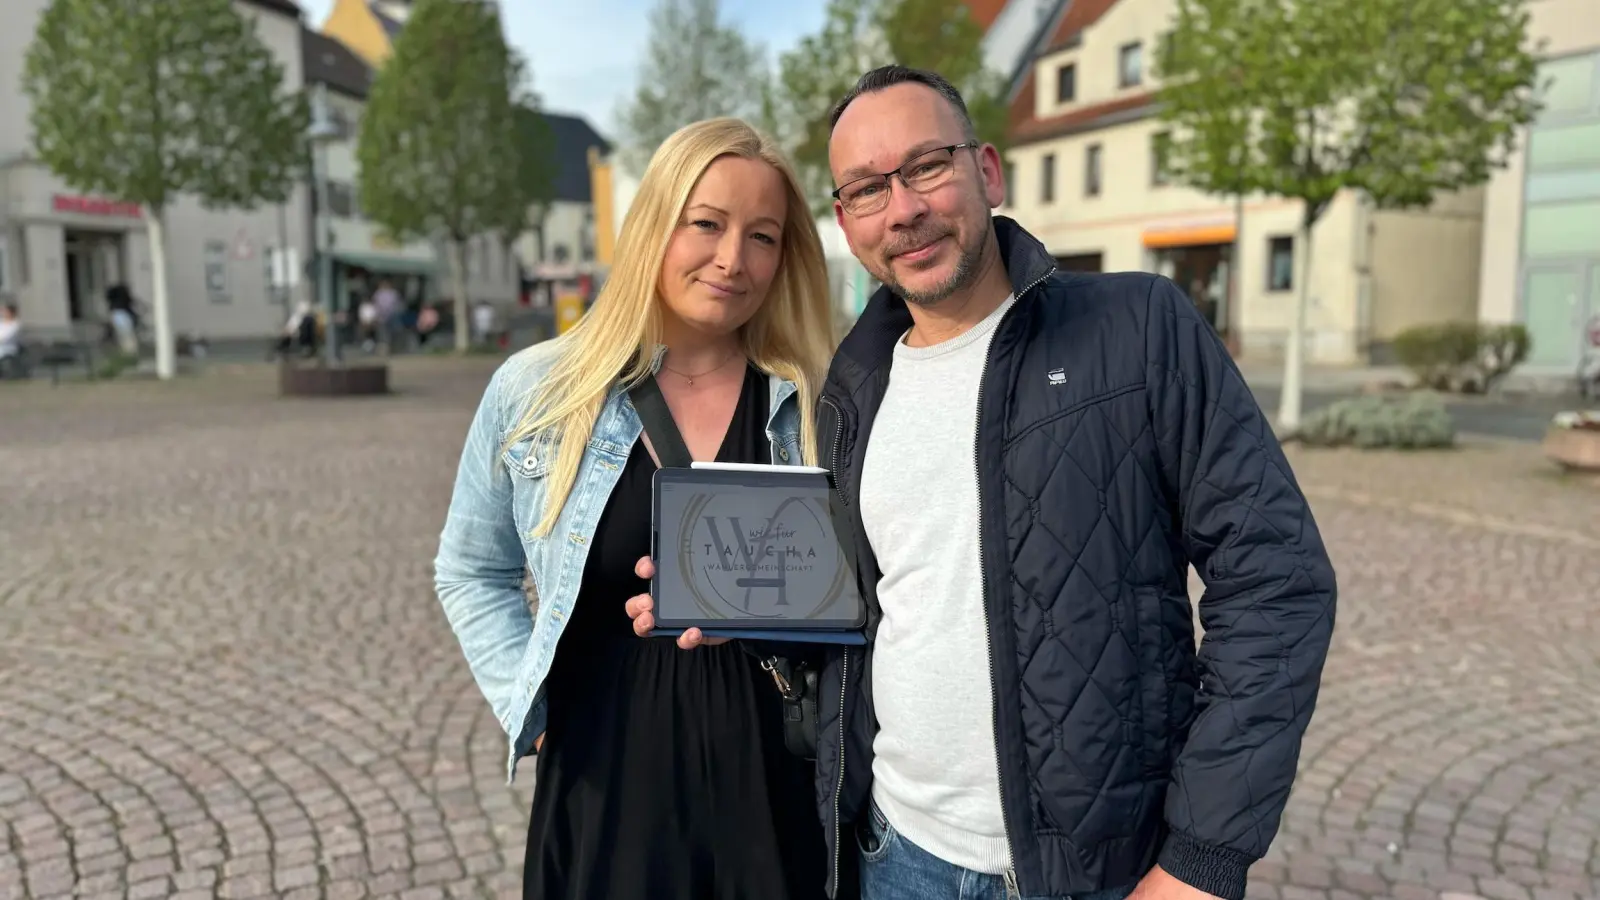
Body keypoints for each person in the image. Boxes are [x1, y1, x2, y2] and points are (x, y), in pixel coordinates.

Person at [630, 66, 1337, 900]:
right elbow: (881, 607)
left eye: (927, 165)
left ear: (987, 171)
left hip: (1097, 870)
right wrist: (746, 606)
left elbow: (1276, 585)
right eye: (866, 189)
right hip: (894, 854)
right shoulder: (852, 386)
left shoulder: (1139, 328)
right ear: (847, 223)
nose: (903, 208)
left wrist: (1203, 858)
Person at [433, 117, 838, 900]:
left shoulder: (814, 399)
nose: (733, 259)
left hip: (773, 773)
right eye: (707, 224)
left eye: (763, 236)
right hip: (605, 775)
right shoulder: (540, 390)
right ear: (655, 223)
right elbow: (471, 568)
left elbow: (858, 587)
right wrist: (537, 709)